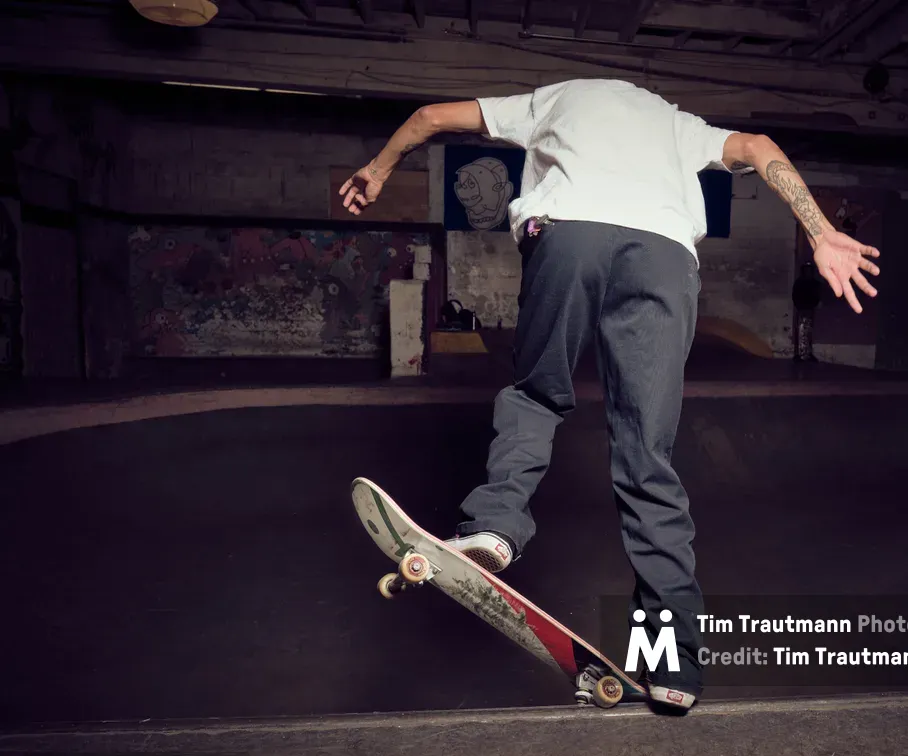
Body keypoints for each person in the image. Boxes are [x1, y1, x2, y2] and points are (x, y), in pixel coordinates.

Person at [340, 79, 880, 712]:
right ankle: (673, 665)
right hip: (663, 255)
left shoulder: (551, 100)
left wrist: (378, 170)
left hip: (570, 236)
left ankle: (495, 525)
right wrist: (819, 232)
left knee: (538, 393)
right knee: (648, 454)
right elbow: (760, 145)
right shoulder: (679, 124)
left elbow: (430, 113)